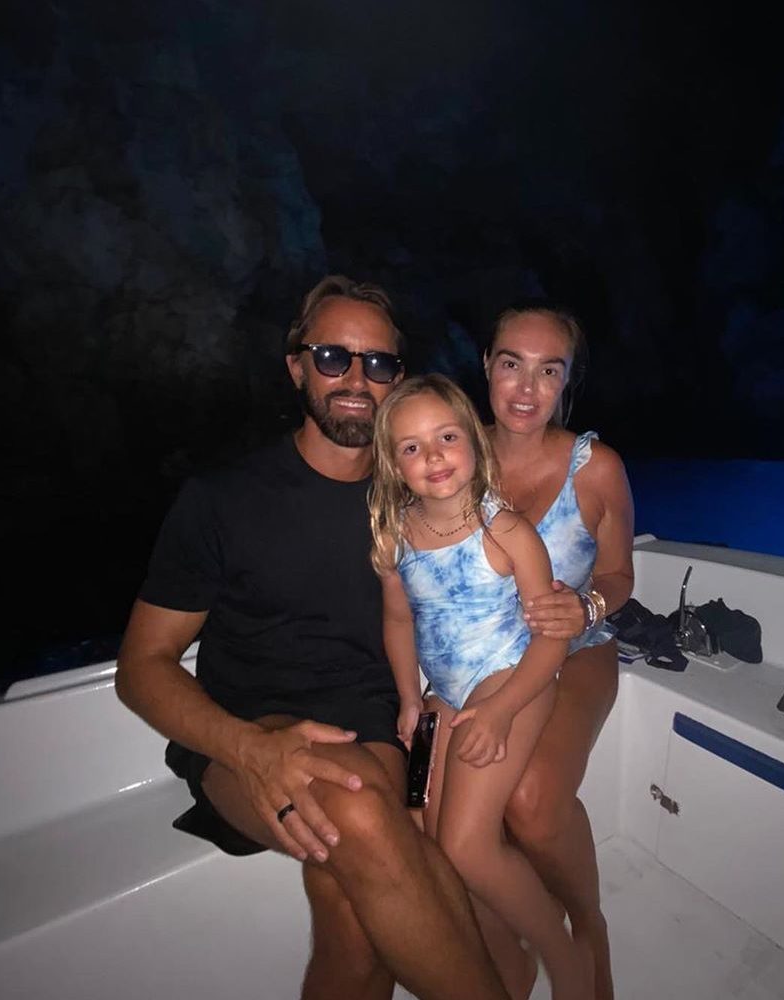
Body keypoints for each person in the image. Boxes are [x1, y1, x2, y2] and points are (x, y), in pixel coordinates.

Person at [115, 277, 510, 1000]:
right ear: (297, 366)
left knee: (353, 911)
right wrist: (251, 749)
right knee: (356, 817)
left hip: (370, 726)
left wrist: (582, 605)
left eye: (379, 363)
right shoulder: (222, 499)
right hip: (241, 730)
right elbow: (141, 667)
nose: (358, 379)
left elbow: (510, 546)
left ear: (398, 378)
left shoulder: (419, 498)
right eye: (334, 357)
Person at [369, 374, 590, 1000]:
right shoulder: (394, 537)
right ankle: (507, 962)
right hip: (440, 695)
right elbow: (399, 620)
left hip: (513, 679)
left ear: (473, 441)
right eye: (411, 447)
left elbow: (551, 640)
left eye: (446, 437)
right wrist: (409, 699)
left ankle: (564, 955)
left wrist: (501, 710)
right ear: (394, 465)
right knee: (427, 839)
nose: (433, 456)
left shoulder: (507, 532)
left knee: (466, 847)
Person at [485, 303, 635, 1000]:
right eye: (511, 364)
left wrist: (586, 606)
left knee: (532, 799)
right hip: (486, 660)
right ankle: (514, 933)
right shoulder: (453, 456)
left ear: (567, 381)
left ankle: (589, 927)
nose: (526, 388)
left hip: (576, 649)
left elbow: (620, 575)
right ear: (487, 367)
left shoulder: (596, 468)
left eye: (549, 371)